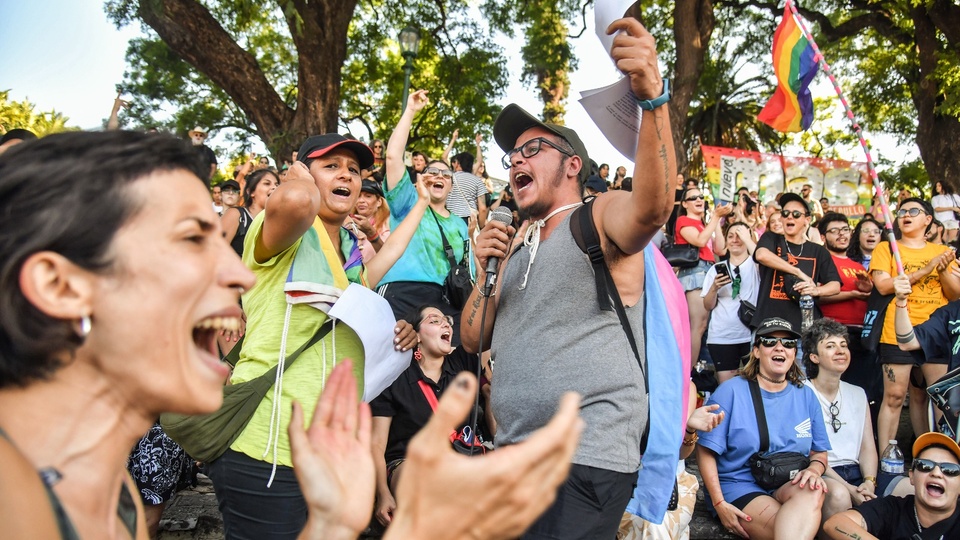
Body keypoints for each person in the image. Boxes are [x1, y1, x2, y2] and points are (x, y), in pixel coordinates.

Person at [461, 17, 677, 539]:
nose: (516, 160)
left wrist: (652, 99)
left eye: (533, 149)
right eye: (512, 154)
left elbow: (652, 208)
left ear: (573, 164)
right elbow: (472, 336)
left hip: (583, 456)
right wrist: (488, 269)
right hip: (513, 453)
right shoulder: (514, 243)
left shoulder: (597, 216)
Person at [207, 133, 437, 539]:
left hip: (328, 455)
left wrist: (395, 331)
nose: (346, 175)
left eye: (353, 169)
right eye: (331, 166)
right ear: (304, 174)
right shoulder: (282, 231)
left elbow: (390, 257)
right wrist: (296, 177)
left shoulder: (350, 256)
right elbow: (295, 201)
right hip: (266, 446)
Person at [697, 317, 830, 540]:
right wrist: (719, 502)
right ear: (757, 351)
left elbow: (819, 452)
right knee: (792, 528)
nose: (780, 347)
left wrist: (814, 470)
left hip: (788, 479)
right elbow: (705, 451)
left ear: (793, 354)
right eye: (770, 341)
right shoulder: (730, 392)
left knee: (814, 491)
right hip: (740, 484)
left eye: (788, 344)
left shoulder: (806, 395)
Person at [370, 304, 489, 527]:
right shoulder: (393, 377)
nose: (445, 323)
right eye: (434, 321)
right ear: (415, 335)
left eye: (446, 320)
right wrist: (382, 494)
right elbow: (376, 444)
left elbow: (484, 324)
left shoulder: (463, 362)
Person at [869, 197, 960, 451]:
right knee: (895, 397)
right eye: (901, 211)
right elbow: (884, 285)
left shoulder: (942, 252)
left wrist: (941, 270)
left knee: (938, 399)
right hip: (897, 331)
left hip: (935, 333)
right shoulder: (886, 248)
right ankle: (885, 463)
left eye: (913, 211)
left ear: (928, 219)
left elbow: (955, 295)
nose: (905, 215)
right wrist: (925, 269)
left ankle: (937, 456)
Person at [377, 90, 471, 328]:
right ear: (420, 179)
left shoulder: (459, 223)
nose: (439, 176)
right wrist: (410, 111)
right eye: (432, 172)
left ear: (451, 185)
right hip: (400, 290)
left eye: (446, 174)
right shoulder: (408, 200)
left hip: (442, 299)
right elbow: (392, 157)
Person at [617, 382, 725, 540]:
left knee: (656, 527)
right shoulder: (618, 377)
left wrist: (689, 429)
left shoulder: (682, 383)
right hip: (620, 479)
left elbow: (682, 453)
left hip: (670, 484)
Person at [802, 319, 878, 529]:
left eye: (843, 345)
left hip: (859, 472)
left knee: (907, 488)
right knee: (840, 495)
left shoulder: (858, 392)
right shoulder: (801, 393)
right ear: (814, 357)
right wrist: (850, 488)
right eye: (830, 346)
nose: (840, 350)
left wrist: (869, 482)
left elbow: (867, 447)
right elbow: (808, 452)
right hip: (823, 470)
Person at [823, 432, 960, 540]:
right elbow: (835, 523)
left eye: (950, 470)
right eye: (925, 466)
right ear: (911, 476)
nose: (936, 473)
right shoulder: (893, 509)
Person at [752, 192, 841, 331]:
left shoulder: (818, 251)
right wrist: (798, 272)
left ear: (807, 219)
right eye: (785, 213)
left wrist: (816, 290)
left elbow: (835, 285)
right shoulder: (771, 239)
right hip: (768, 327)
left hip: (804, 330)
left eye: (796, 214)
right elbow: (761, 255)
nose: (789, 217)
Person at [816, 213, 879, 410]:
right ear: (824, 237)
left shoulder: (858, 265)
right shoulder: (822, 261)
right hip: (834, 332)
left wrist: (867, 290)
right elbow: (817, 294)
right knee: (837, 391)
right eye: (834, 231)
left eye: (845, 230)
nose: (841, 235)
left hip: (863, 334)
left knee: (863, 390)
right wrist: (852, 294)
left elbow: (869, 298)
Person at [676, 186, 733, 361]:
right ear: (685, 204)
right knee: (697, 326)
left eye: (701, 197)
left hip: (708, 271)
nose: (699, 200)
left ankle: (697, 369)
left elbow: (720, 249)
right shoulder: (683, 220)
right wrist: (715, 217)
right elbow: (700, 241)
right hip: (695, 272)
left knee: (702, 326)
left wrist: (716, 220)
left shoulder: (703, 224)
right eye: (693, 198)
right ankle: (690, 373)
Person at [702, 222, 760, 383]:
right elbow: (707, 306)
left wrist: (748, 239)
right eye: (731, 236)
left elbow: (761, 257)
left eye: (739, 235)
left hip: (750, 335)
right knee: (726, 387)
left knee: (754, 385)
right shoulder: (716, 268)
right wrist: (714, 287)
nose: (735, 240)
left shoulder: (756, 265)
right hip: (722, 336)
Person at [223, 168, 280, 257]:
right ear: (251, 192)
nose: (274, 187)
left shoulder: (276, 223)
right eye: (267, 183)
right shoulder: (236, 215)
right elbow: (212, 251)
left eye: (277, 185)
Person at [346, 179, 391, 262]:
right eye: (358, 196)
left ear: (379, 201)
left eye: (368, 196)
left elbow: (390, 258)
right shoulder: (346, 223)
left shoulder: (388, 224)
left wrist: (372, 234)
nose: (361, 201)